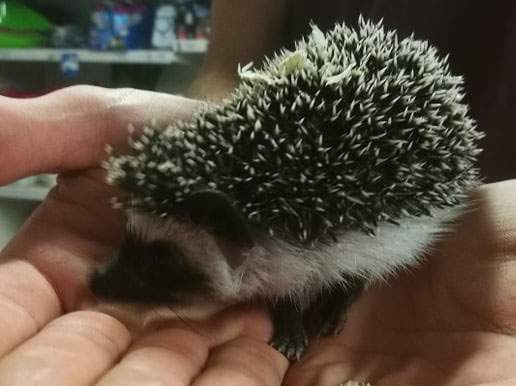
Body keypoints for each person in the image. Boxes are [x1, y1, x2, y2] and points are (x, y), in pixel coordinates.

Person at [1, 2, 516, 385]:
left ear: (240, 247)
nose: (113, 276)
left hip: (462, 193)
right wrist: (217, 121)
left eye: (159, 263)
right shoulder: (265, 234)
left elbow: (328, 269)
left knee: (340, 276)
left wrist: (322, 305)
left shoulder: (321, 240)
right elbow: (228, 67)